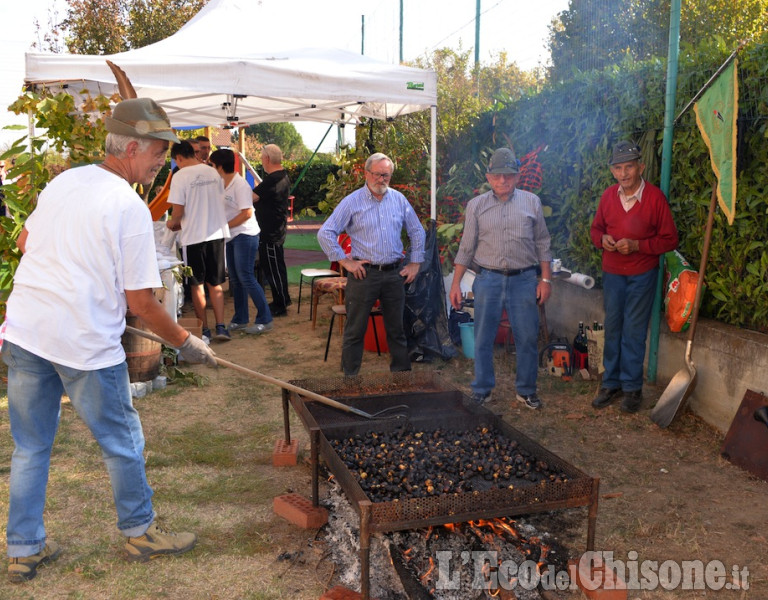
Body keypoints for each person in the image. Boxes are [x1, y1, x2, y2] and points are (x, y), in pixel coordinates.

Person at [1, 98, 217, 583]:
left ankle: (23, 549)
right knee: (122, 440)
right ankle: (140, 533)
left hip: (28, 329)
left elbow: (24, 244)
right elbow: (140, 300)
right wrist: (186, 342)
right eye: (159, 151)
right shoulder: (128, 204)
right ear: (133, 146)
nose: (163, 160)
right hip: (80, 341)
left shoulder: (65, 181)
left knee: (31, 448)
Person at [448, 147, 553, 410]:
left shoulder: (531, 202)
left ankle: (526, 390)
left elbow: (543, 243)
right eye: (497, 176)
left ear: (517, 176)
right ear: (488, 177)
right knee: (483, 337)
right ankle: (482, 389)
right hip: (488, 280)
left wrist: (546, 280)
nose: (502, 181)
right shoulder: (476, 206)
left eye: (508, 175)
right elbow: (466, 247)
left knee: (527, 337)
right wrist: (455, 285)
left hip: (524, 280)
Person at [318, 152, 426, 376]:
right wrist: (345, 262)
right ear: (366, 173)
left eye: (386, 175)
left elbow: (416, 231)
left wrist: (415, 263)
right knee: (355, 329)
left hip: (394, 273)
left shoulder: (398, 200)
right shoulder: (352, 201)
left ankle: (401, 376)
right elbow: (325, 232)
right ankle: (350, 378)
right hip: (363, 275)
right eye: (377, 174)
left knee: (396, 329)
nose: (381, 180)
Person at [590, 141, 678, 413]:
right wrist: (602, 239)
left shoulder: (654, 198)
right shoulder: (608, 197)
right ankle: (611, 383)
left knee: (634, 331)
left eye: (629, 167)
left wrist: (638, 245)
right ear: (613, 171)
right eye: (618, 168)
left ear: (641, 167)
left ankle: (632, 389)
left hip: (642, 274)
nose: (624, 173)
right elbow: (595, 231)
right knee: (613, 326)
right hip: (613, 273)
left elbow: (670, 239)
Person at [166, 141, 231, 342]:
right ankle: (221, 327)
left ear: (178, 158)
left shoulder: (179, 176)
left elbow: (177, 213)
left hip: (193, 236)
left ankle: (204, 330)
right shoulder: (213, 172)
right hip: (216, 233)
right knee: (216, 283)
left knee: (197, 284)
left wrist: (171, 224)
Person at [209, 148, 274, 334]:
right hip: (231, 235)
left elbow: (247, 213)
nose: (211, 168)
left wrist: (225, 226)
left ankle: (265, 319)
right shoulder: (220, 183)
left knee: (245, 276)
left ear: (220, 167)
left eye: (212, 165)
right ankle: (241, 319)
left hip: (245, 235)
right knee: (236, 279)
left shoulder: (240, 185)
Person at [253, 144, 292, 316]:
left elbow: (252, 197)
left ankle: (280, 303)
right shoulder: (282, 175)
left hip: (270, 231)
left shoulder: (272, 179)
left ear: (267, 159)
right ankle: (282, 299)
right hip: (276, 229)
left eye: (262, 158)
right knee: (277, 266)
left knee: (273, 268)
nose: (262, 161)